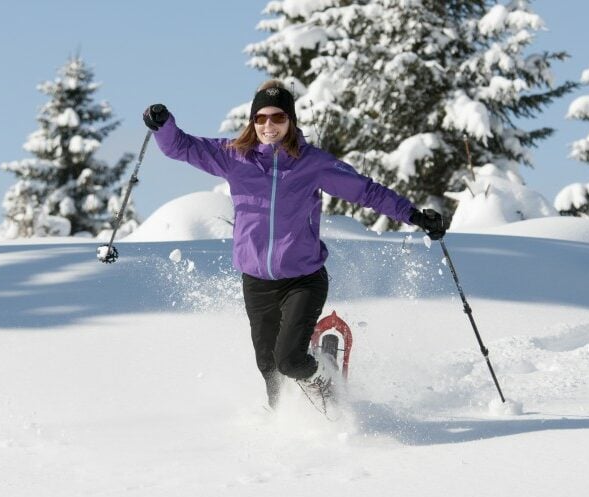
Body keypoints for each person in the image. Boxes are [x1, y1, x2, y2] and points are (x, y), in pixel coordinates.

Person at [143, 80, 447, 410]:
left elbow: (366, 191)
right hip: (257, 282)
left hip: (303, 278)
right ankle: (284, 431)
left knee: (289, 360)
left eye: (277, 118)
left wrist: (414, 215)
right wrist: (164, 126)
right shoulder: (234, 158)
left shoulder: (310, 163)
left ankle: (326, 379)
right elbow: (182, 147)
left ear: (290, 121)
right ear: (252, 121)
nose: (268, 125)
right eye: (261, 118)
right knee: (270, 371)